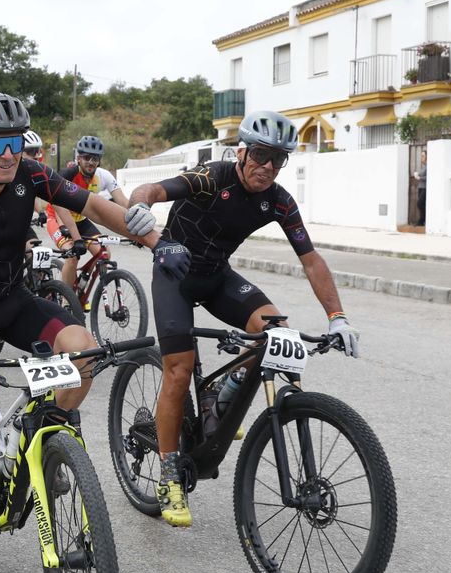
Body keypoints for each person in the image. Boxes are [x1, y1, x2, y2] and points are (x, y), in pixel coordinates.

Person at [0, 92, 157, 560]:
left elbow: (91, 206)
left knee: (82, 353)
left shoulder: (31, 175)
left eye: (14, 142)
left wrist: (150, 236)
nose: (8, 155)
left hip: (13, 300)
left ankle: (49, 439)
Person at [125, 110, 359, 528]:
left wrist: (337, 316)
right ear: (242, 152)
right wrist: (139, 208)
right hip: (174, 275)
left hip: (217, 277)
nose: (267, 166)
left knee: (278, 338)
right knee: (178, 372)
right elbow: (150, 189)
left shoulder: (279, 200)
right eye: (261, 155)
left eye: (278, 159)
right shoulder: (211, 177)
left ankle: (224, 389)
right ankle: (167, 474)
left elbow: (311, 260)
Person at [50, 135, 130, 296]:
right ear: (78, 158)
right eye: (86, 157)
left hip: (81, 220)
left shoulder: (103, 176)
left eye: (95, 158)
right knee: (73, 256)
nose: (91, 162)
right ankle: (67, 299)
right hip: (59, 220)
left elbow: (123, 201)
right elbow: (58, 205)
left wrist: (139, 220)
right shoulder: (68, 174)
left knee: (104, 252)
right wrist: (74, 236)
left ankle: (82, 285)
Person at [414, 149, 428, 228]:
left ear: (427, 157)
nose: (421, 158)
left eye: (423, 156)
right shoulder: (424, 166)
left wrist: (419, 178)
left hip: (425, 188)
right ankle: (422, 221)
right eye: (421, 156)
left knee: (420, 204)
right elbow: (422, 175)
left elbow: (428, 177)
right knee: (421, 204)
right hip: (420, 187)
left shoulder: (429, 166)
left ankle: (422, 220)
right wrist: (417, 174)